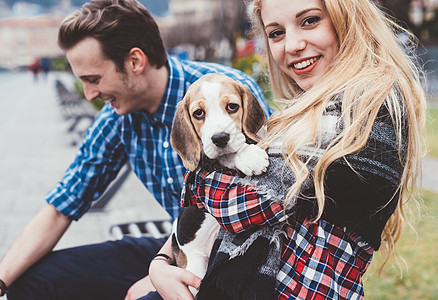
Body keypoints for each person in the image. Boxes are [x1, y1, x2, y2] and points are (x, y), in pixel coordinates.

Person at [149, 0, 427, 299]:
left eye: (309, 21)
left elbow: (242, 204)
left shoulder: (367, 104)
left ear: (346, 17)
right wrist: (161, 263)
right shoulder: (304, 111)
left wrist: (201, 174)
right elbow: (204, 214)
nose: (292, 45)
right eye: (276, 33)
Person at [0, 0, 272, 299]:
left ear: (135, 61)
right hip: (177, 240)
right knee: (32, 281)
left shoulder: (226, 93)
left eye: (94, 79)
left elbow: (269, 194)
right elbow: (60, 208)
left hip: (234, 255)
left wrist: (158, 272)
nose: (89, 94)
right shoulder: (117, 120)